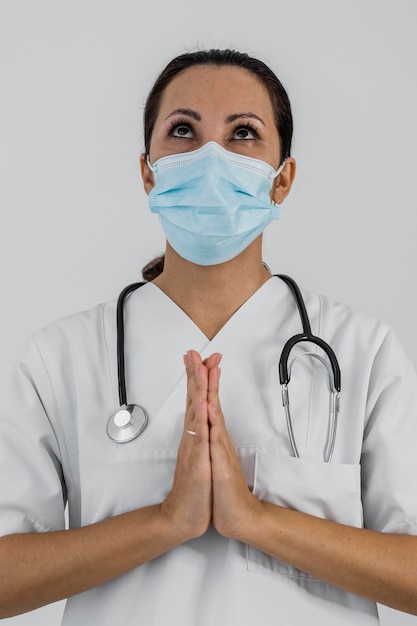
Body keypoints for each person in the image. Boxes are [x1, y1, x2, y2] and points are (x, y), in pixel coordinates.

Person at [0, 48, 417, 626]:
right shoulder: (61, 358)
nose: (212, 158)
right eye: (183, 131)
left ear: (282, 179)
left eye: (244, 133)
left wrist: (255, 520)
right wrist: (166, 521)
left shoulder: (361, 351)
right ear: (148, 171)